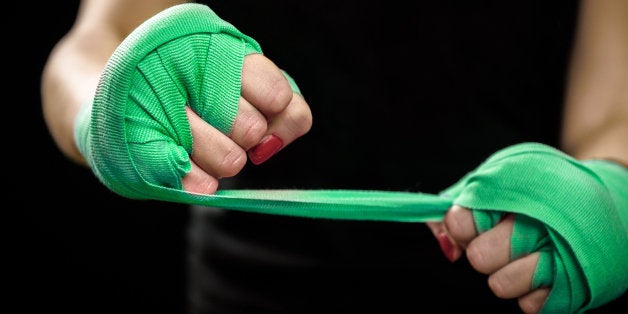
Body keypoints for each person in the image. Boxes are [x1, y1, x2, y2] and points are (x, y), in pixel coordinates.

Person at [40, 0, 627, 313]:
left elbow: (614, 115)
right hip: (250, 286)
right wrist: (104, 112)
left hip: (519, 262)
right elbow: (93, 41)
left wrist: (608, 193)